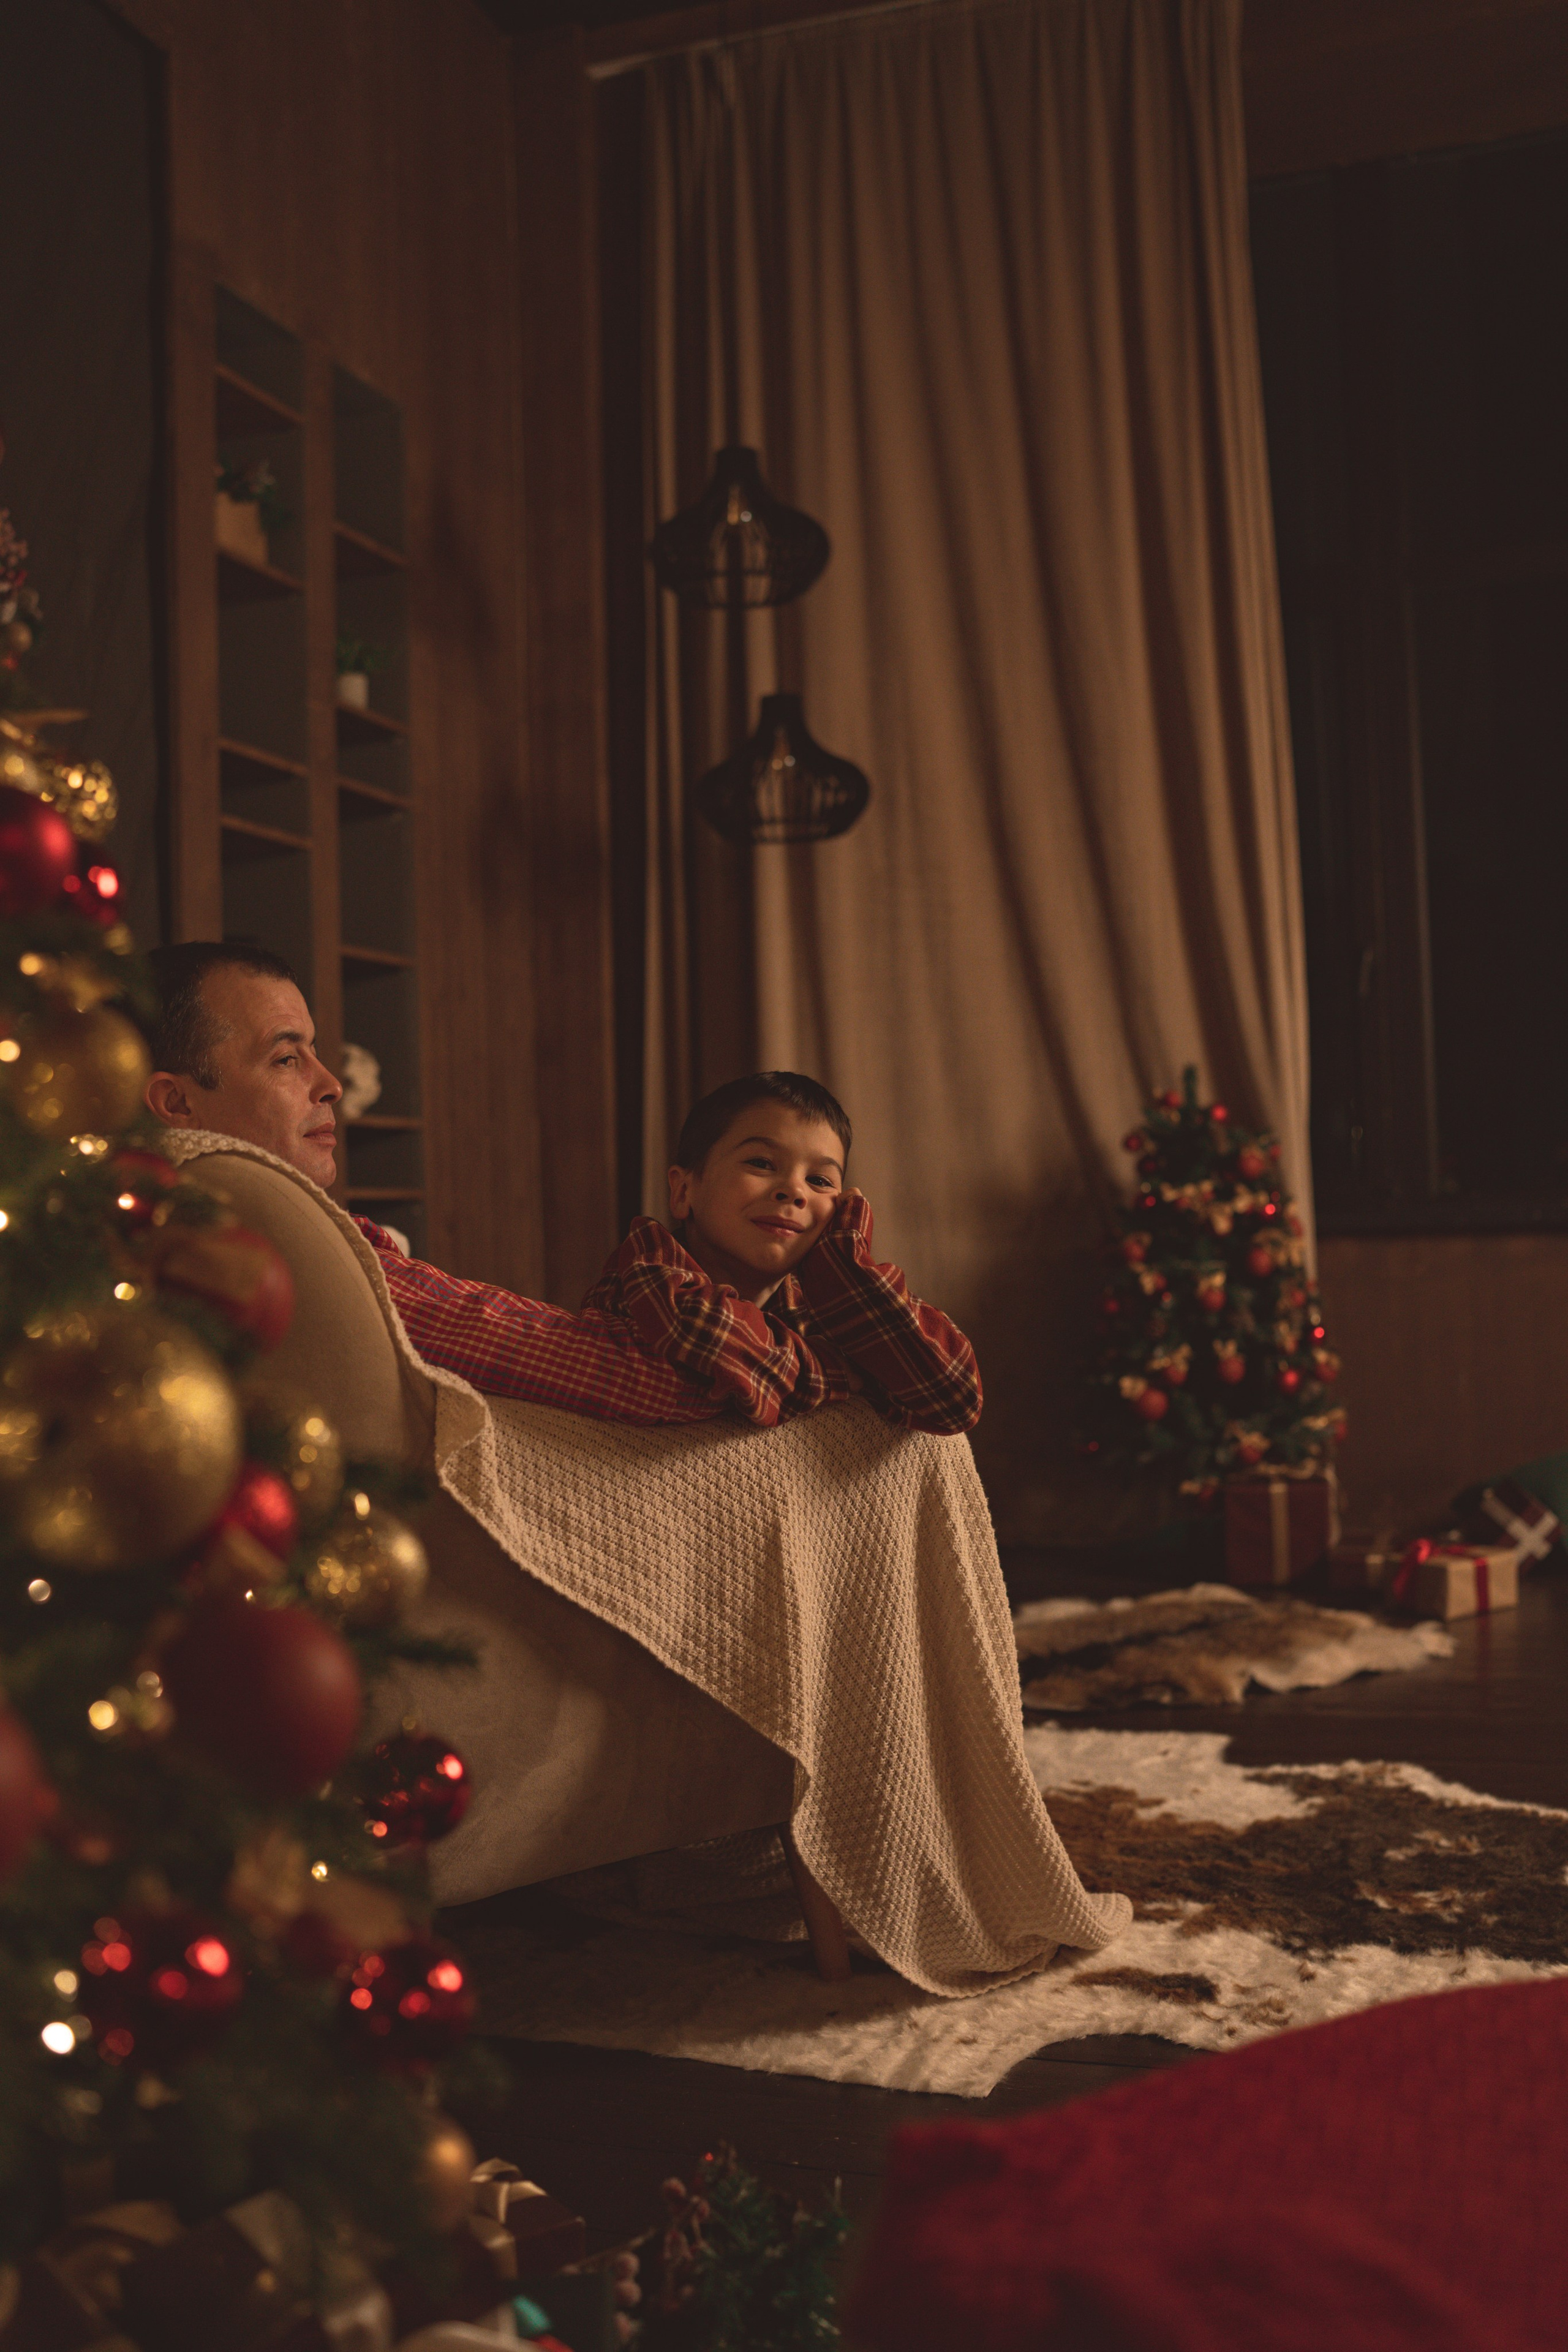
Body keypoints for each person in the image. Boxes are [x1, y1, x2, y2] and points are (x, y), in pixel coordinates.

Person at [142, 941, 979, 1436]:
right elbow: (652, 1381)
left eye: (821, 1180)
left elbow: (952, 1393)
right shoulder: (267, 1238)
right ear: (176, 1102)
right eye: (288, 1058)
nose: (330, 1082)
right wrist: (843, 1370)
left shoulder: (242, 1222)